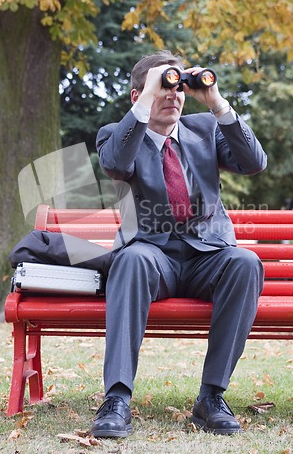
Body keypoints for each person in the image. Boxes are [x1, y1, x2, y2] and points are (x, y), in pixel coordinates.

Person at [91, 50, 267, 437]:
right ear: (137, 96)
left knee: (246, 262)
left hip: (208, 256)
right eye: (161, 87)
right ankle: (117, 399)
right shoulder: (118, 135)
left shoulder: (205, 129)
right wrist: (146, 99)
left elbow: (254, 162)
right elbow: (117, 164)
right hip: (154, 258)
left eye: (177, 88)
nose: (173, 94)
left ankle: (211, 397)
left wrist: (217, 103)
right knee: (132, 259)